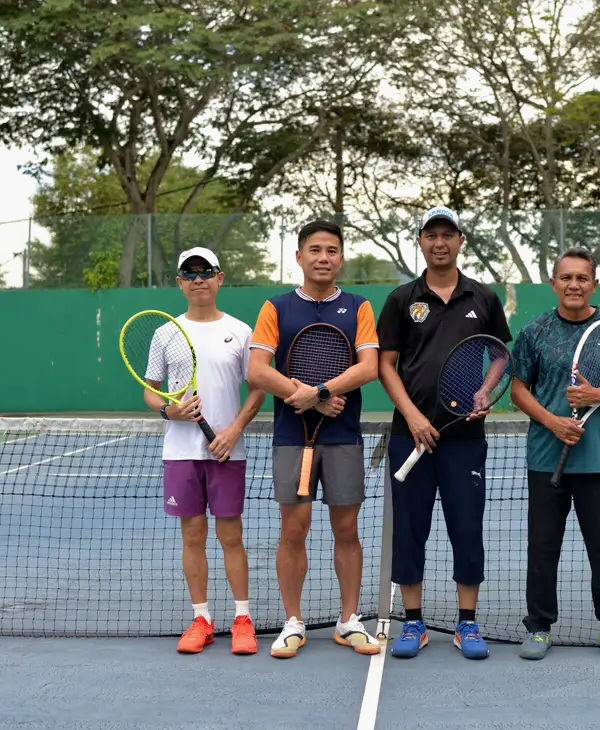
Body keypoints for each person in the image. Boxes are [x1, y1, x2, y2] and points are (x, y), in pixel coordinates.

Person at [376, 206, 512, 660]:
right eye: (431, 235)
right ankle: (414, 623)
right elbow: (385, 365)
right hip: (409, 436)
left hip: (464, 439)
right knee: (410, 530)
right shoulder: (401, 299)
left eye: (447, 235)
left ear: (460, 241)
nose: (440, 242)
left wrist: (485, 391)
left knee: (467, 529)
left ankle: (466, 623)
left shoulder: (483, 297)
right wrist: (413, 417)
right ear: (420, 241)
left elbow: (499, 354)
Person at [247, 220, 381, 659]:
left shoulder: (359, 307)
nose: (324, 258)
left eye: (332, 250)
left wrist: (320, 392)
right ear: (300, 257)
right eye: (315, 250)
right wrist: (305, 396)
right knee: (293, 529)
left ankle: (349, 620)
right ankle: (293, 622)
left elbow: (369, 367)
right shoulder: (276, 308)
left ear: (341, 258)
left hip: (343, 436)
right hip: (292, 437)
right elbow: (257, 371)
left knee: (347, 529)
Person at [510, 246, 600, 662]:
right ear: (553, 283)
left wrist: (599, 395)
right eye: (566, 277)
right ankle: (539, 627)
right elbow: (519, 391)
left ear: (594, 284)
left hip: (597, 460)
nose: (574, 285)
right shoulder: (534, 332)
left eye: (582, 278)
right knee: (543, 548)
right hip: (544, 459)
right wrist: (553, 423)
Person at [143, 246, 266, 655]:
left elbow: (258, 389)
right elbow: (151, 390)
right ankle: (201, 619)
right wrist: (169, 410)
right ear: (180, 283)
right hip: (181, 452)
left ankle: (243, 619)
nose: (199, 279)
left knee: (232, 536)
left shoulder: (241, 332)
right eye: (190, 274)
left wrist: (234, 431)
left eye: (206, 272)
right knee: (193, 536)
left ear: (219, 278)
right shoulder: (165, 333)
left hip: (227, 451)